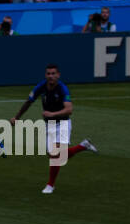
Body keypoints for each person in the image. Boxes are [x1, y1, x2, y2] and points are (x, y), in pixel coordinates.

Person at [10, 63, 96, 195]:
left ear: (58, 75)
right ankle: (83, 146)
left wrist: (52, 114)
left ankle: (50, 185)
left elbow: (69, 110)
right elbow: (28, 102)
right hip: (49, 125)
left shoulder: (62, 89)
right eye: (48, 74)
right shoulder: (41, 86)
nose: (51, 76)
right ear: (45, 75)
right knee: (53, 155)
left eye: (53, 74)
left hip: (62, 124)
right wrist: (17, 117)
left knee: (55, 155)